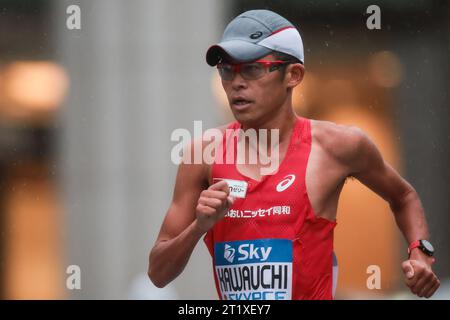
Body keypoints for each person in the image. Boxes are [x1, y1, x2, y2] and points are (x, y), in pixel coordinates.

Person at [148, 9, 439, 300]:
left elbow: (403, 196)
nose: (236, 82)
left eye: (252, 69)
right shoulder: (203, 154)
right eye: (227, 69)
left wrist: (420, 252)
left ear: (293, 75)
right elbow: (158, 274)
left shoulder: (337, 146)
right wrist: (199, 227)